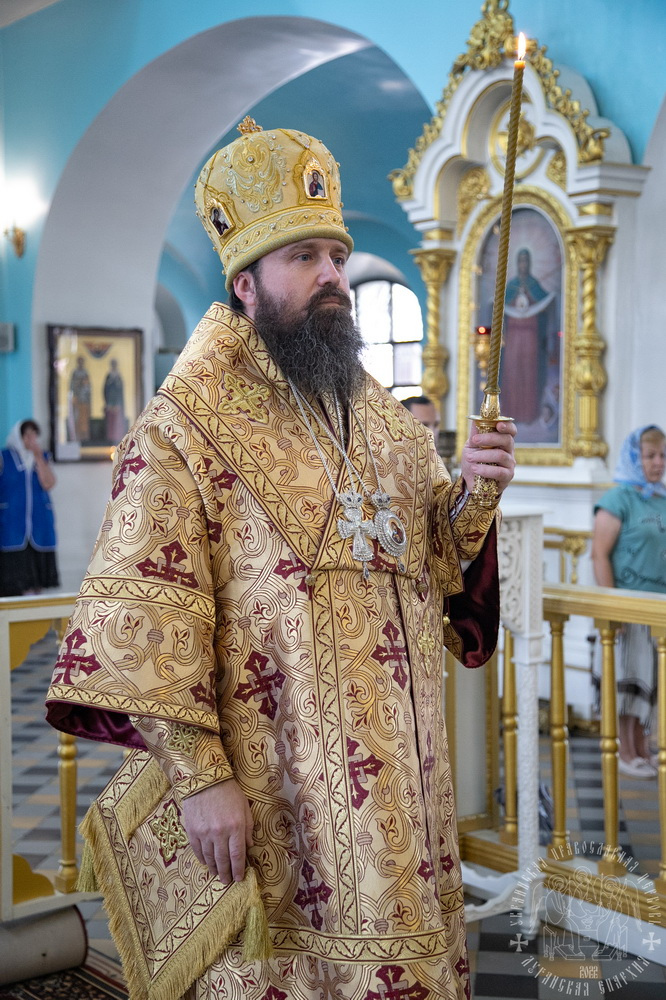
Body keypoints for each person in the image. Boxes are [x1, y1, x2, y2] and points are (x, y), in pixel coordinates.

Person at [46, 121, 516, 1000]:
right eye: (304, 257)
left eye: (336, 255)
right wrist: (200, 781)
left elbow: (434, 562)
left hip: (402, 790)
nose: (333, 274)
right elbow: (146, 622)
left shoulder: (376, 414)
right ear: (245, 284)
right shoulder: (182, 425)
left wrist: (476, 494)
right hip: (275, 792)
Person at [591, 424, 666, 779]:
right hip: (627, 605)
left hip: (658, 607)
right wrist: (612, 608)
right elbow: (599, 555)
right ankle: (625, 749)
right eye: (650, 456)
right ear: (634, 458)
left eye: (663, 455)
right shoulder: (617, 499)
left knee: (650, 677)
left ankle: (642, 746)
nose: (658, 462)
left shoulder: (662, 497)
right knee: (629, 677)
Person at [0, 419, 59, 596]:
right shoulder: (4, 457)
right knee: (13, 580)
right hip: (11, 523)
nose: (31, 439)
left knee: (37, 578)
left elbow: (48, 483)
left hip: (38, 523)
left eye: (34, 434)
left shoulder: (43, 457)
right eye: (27, 435)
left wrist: (38, 457)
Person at [500, 247, 557, 425]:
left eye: (526, 261)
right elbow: (500, 307)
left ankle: (529, 415)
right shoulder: (512, 286)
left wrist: (530, 294)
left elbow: (545, 304)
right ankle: (510, 414)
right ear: (517, 264)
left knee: (529, 375)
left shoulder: (534, 284)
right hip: (513, 338)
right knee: (512, 374)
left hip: (530, 337)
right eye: (521, 261)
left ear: (529, 263)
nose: (523, 264)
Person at [103, 358, 126, 443]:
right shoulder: (108, 376)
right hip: (110, 402)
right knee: (110, 421)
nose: (113, 366)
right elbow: (105, 389)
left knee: (117, 421)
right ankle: (110, 439)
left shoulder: (118, 376)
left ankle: (117, 438)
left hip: (117, 403)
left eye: (114, 364)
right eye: (112, 364)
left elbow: (120, 390)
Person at [69, 355, 92, 441]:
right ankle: (76, 436)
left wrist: (84, 385)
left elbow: (88, 387)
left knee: (84, 420)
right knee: (77, 418)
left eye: (82, 362)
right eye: (79, 362)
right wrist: (78, 383)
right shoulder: (75, 373)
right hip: (77, 400)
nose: (81, 363)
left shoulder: (85, 373)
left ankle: (84, 437)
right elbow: (72, 386)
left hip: (84, 400)